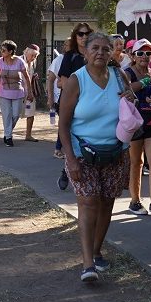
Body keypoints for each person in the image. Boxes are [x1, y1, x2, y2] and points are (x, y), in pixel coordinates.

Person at [58, 32, 132, 283]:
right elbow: (64, 124)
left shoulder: (119, 77)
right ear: (86, 52)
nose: (100, 52)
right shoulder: (76, 81)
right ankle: (87, 263)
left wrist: (130, 100)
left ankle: (98, 250)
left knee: (107, 203)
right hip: (83, 154)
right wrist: (70, 159)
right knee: (88, 202)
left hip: (115, 152)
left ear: (112, 52)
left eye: (106, 48)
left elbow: (129, 109)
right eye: (95, 48)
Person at [123, 38, 151, 219]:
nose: (144, 56)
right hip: (134, 121)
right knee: (136, 162)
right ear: (133, 56)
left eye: (148, 53)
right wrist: (149, 79)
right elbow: (128, 89)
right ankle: (135, 201)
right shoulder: (127, 72)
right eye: (140, 53)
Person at [55, 24, 91, 189]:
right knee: (71, 135)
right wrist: (83, 86)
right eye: (80, 34)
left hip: (92, 102)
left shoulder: (95, 55)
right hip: (72, 101)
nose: (84, 37)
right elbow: (61, 81)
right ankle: (67, 169)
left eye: (87, 34)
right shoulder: (70, 56)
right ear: (75, 37)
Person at [0, 39, 32, 146]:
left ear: (10, 51)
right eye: (1, 50)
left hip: (18, 92)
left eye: (4, 50)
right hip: (3, 92)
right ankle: (9, 137)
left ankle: (7, 132)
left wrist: (30, 92)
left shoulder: (19, 62)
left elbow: (27, 77)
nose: (2, 52)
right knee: (7, 115)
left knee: (15, 115)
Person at [22, 44, 42, 142]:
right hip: (19, 92)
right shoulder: (19, 61)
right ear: (26, 52)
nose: (34, 58)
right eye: (33, 55)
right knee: (14, 114)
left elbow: (30, 75)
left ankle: (28, 135)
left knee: (31, 113)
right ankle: (8, 134)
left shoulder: (33, 62)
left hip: (30, 92)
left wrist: (34, 76)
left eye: (36, 56)